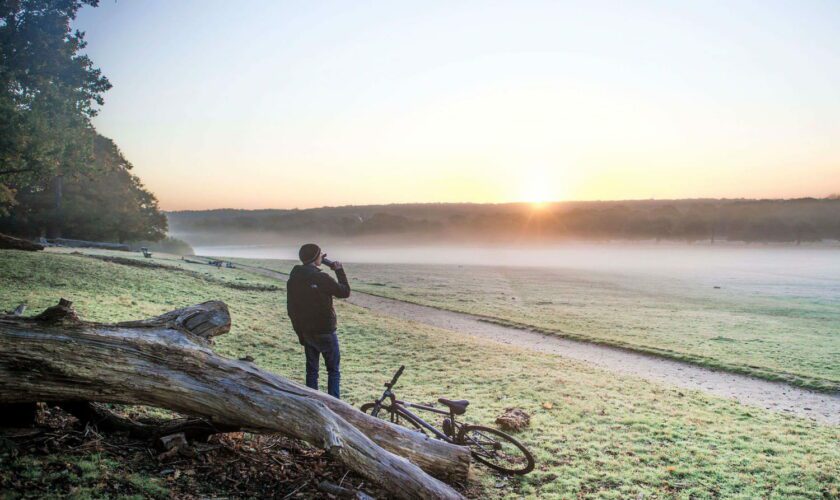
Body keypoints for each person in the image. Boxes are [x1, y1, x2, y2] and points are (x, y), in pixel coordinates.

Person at [286, 243, 350, 399]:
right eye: (320, 254)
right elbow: (344, 292)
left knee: (312, 371)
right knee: (333, 371)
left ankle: (311, 401)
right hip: (326, 331)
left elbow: (291, 309)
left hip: (307, 331)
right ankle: (335, 404)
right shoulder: (321, 277)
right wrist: (339, 270)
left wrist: (300, 333)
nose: (322, 257)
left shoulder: (293, 279)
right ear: (315, 257)